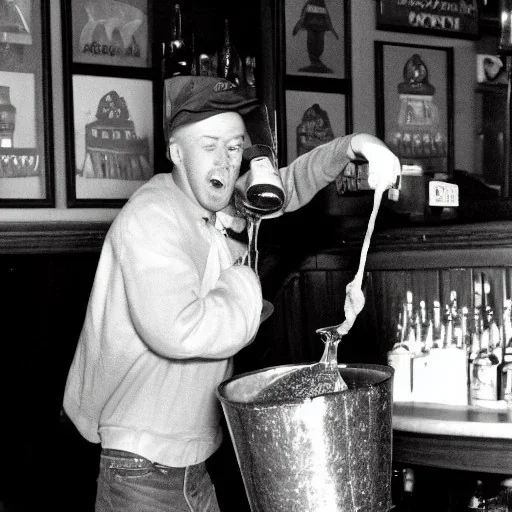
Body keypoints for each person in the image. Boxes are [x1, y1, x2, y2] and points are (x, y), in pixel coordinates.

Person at [63, 75, 401, 512]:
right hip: (141, 469)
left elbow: (287, 184)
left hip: (189, 464)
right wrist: (245, 282)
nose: (224, 163)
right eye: (209, 146)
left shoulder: (211, 206)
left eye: (234, 147)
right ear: (176, 153)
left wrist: (356, 146)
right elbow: (179, 330)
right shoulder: (151, 217)